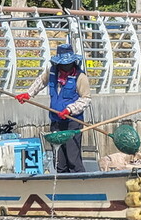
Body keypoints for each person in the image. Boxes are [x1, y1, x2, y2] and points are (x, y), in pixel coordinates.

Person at [15, 43, 92, 173]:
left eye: (68, 64)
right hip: (56, 122)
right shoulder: (52, 72)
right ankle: (62, 187)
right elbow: (40, 82)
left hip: (72, 123)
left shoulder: (80, 77)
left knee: (73, 159)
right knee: (59, 161)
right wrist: (28, 94)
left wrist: (70, 109)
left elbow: (86, 99)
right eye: (62, 64)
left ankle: (79, 185)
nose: (65, 67)